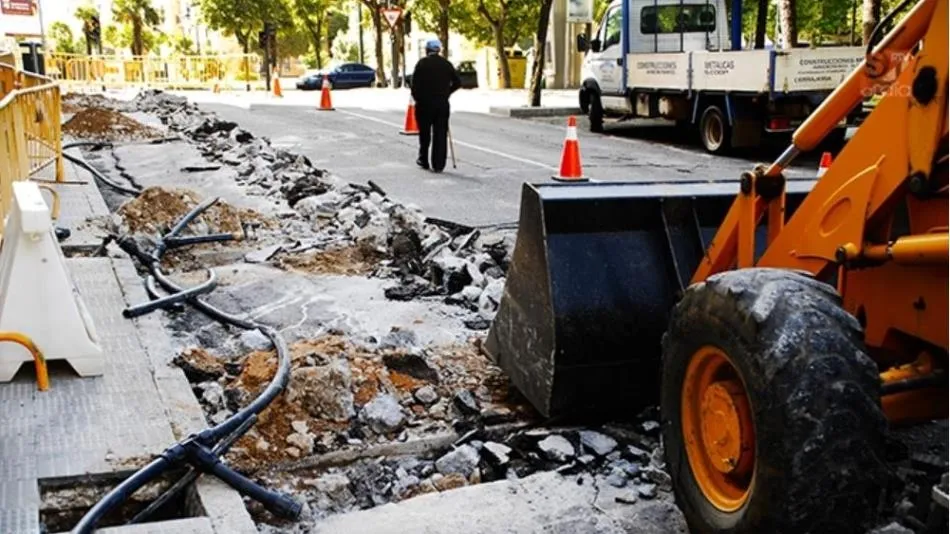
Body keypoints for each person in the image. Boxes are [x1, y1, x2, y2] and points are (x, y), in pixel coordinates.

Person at [410, 39, 461, 172]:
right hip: (441, 104)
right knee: (440, 133)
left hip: (424, 104)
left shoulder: (422, 64)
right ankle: (438, 164)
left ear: (427, 50)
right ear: (439, 50)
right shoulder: (446, 64)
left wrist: (418, 98)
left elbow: (413, 84)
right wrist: (447, 93)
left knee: (425, 133)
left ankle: (424, 159)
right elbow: (458, 82)